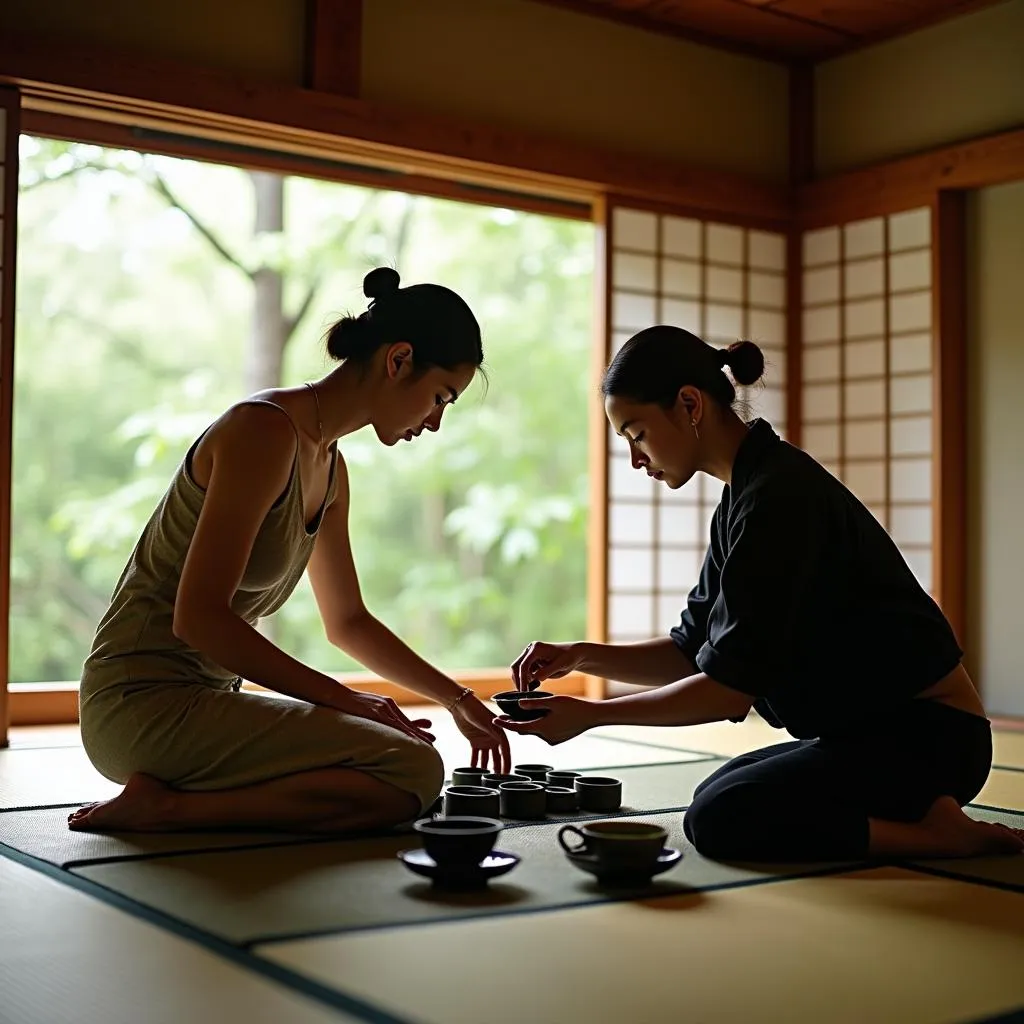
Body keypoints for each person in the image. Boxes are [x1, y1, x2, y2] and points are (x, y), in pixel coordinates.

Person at [498, 325, 1024, 863]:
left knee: (721, 815)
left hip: (932, 737)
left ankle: (934, 838)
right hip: (870, 733)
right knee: (716, 792)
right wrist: (580, 657)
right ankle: (923, 811)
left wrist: (593, 715)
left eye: (636, 433)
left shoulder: (779, 498)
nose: (635, 458)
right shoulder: (744, 498)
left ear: (688, 405)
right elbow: (690, 651)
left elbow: (728, 691)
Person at [70, 267, 511, 836]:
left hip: (208, 703)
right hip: (136, 704)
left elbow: (347, 622)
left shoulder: (330, 469)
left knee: (402, 774)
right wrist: (349, 703)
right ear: (398, 360)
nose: (435, 422)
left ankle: (171, 798)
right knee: (412, 770)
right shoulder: (263, 432)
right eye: (440, 397)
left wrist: (456, 700)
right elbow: (198, 618)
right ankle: (169, 809)